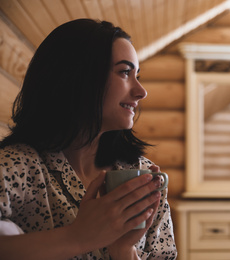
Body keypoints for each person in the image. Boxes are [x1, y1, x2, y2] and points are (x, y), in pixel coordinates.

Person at [0, 19, 177, 260]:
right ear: (78, 76)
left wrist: (124, 251)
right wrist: (79, 237)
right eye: (125, 72)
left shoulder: (142, 175)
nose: (141, 91)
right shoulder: (15, 168)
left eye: (137, 74)